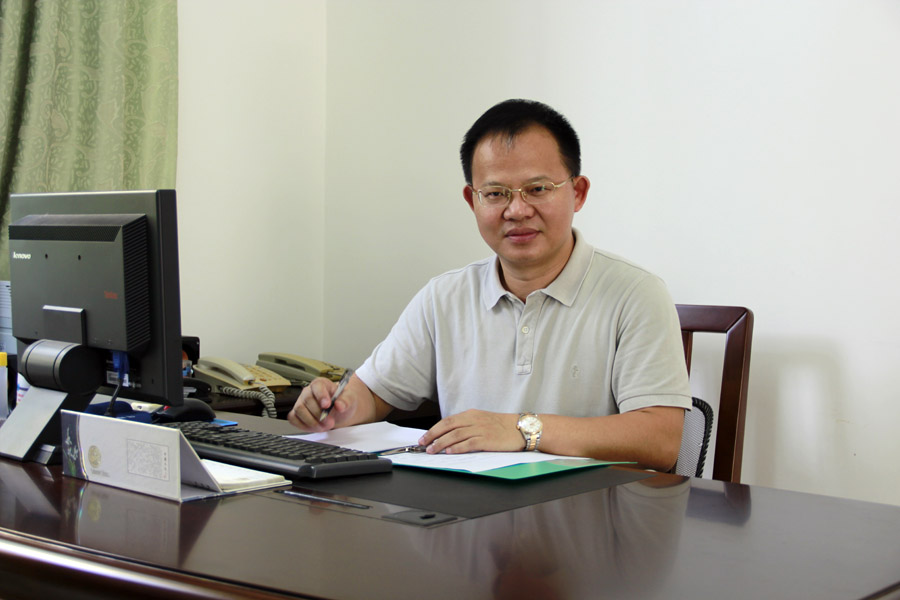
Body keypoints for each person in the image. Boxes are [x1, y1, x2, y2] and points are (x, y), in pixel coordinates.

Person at [288, 99, 692, 471]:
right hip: (469, 513)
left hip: (590, 512)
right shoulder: (444, 297)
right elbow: (374, 394)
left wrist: (521, 430)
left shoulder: (635, 294)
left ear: (578, 192)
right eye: (496, 193)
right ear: (472, 201)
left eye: (537, 189)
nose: (517, 210)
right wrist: (339, 407)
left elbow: (660, 439)